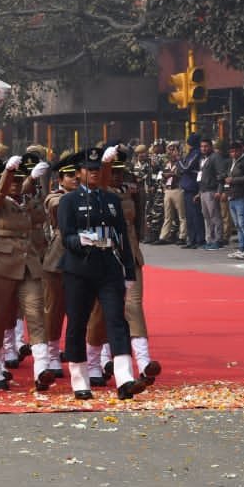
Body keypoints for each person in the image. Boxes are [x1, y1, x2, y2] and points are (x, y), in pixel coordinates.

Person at [58, 146, 142, 400]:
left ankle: (125, 378)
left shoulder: (111, 200)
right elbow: (66, 236)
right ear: (79, 173)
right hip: (80, 268)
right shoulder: (69, 201)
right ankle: (80, 380)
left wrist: (128, 271)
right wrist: (80, 240)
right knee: (77, 324)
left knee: (117, 321)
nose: (93, 173)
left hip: (108, 265)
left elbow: (123, 238)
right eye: (88, 170)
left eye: (97, 169)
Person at [222, 140, 244, 259]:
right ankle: (241, 248)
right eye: (231, 152)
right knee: (237, 224)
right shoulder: (233, 162)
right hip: (233, 196)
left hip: (243, 196)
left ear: (240, 150)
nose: (232, 154)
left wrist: (233, 180)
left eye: (234, 151)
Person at [157, 142, 184, 244]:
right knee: (168, 215)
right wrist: (166, 175)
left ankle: (182, 236)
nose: (170, 152)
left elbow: (181, 172)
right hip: (168, 190)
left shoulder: (180, 162)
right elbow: (163, 174)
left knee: (182, 215)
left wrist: (171, 174)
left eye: (173, 150)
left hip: (178, 189)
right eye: (169, 150)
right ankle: (163, 237)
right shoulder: (167, 163)